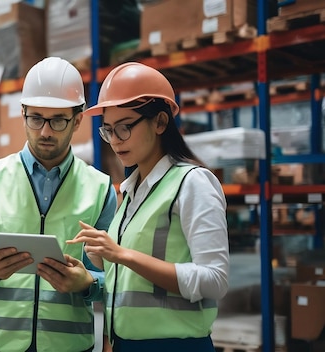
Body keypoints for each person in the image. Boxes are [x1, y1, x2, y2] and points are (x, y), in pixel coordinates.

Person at [0, 57, 118, 352]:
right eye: (36, 118)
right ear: (23, 113)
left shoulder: (100, 189)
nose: (45, 131)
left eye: (57, 120)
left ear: (78, 119)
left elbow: (115, 279)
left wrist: (88, 283)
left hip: (68, 346)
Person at [67, 62, 229, 352]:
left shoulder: (192, 183)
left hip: (175, 345)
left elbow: (214, 280)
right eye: (108, 130)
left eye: (125, 127)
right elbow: (135, 278)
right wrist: (102, 258)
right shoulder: (132, 192)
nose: (115, 140)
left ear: (160, 122)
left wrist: (122, 254)